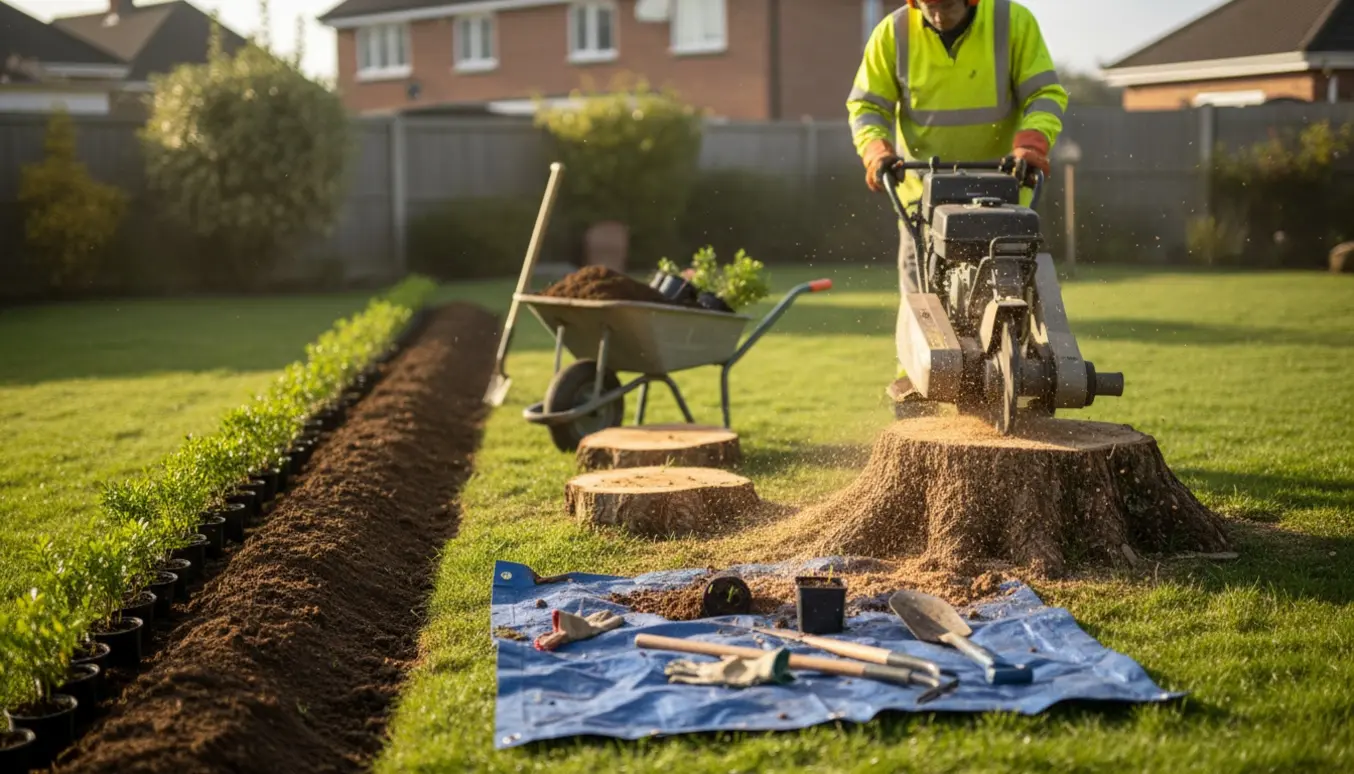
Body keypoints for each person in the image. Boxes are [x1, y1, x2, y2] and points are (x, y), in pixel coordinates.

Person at [846, 0, 1068, 406]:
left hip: (1000, 193)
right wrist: (877, 151)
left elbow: (1045, 94)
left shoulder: (1011, 22)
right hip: (921, 196)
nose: (938, 14)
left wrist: (1032, 143)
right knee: (920, 291)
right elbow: (866, 105)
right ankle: (916, 380)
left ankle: (1024, 360)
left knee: (1012, 285)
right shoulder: (893, 33)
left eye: (946, 5)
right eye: (928, 5)